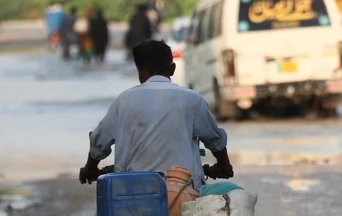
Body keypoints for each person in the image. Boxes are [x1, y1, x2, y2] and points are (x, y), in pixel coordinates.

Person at [80, 40, 233, 190]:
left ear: (140, 72)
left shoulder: (123, 101)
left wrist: (90, 168)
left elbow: (99, 142)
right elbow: (214, 139)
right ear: (172, 69)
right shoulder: (192, 99)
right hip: (183, 192)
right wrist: (223, 164)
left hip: (130, 193)